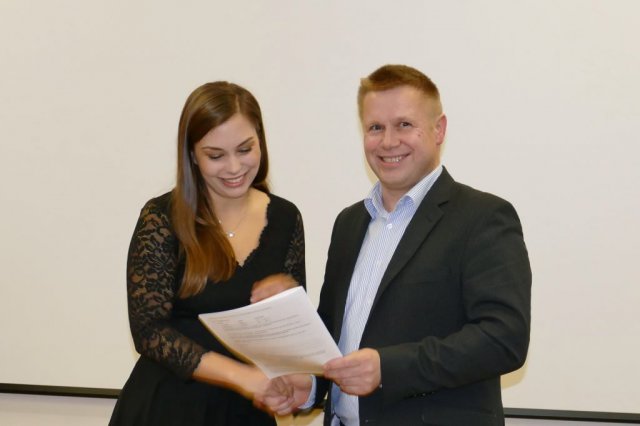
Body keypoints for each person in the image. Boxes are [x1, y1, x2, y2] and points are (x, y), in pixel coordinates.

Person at [262, 65, 532, 425]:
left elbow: (504, 338)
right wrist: (311, 385)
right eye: (375, 127)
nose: (388, 142)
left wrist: (388, 368)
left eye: (404, 124)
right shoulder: (348, 224)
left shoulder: (483, 217)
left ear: (439, 129)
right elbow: (335, 336)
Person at [109, 81, 305, 426]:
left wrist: (289, 305)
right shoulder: (162, 217)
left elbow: (288, 340)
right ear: (192, 156)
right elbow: (149, 332)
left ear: (260, 141)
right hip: (167, 409)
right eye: (216, 155)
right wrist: (240, 376)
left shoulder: (286, 218)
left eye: (245, 149)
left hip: (246, 414)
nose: (234, 167)